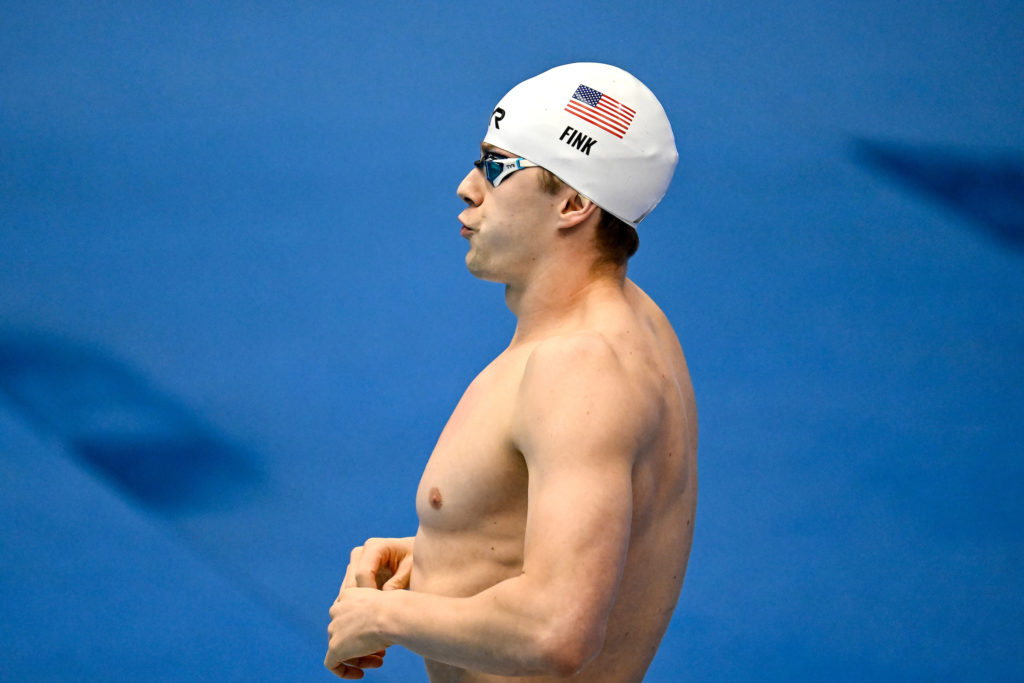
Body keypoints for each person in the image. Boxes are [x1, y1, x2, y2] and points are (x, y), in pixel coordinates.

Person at [325, 62, 698, 682]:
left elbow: (557, 630)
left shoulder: (578, 370)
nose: (467, 187)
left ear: (575, 203)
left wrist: (383, 619)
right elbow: (595, 550)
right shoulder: (637, 322)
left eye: (496, 167)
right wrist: (441, 551)